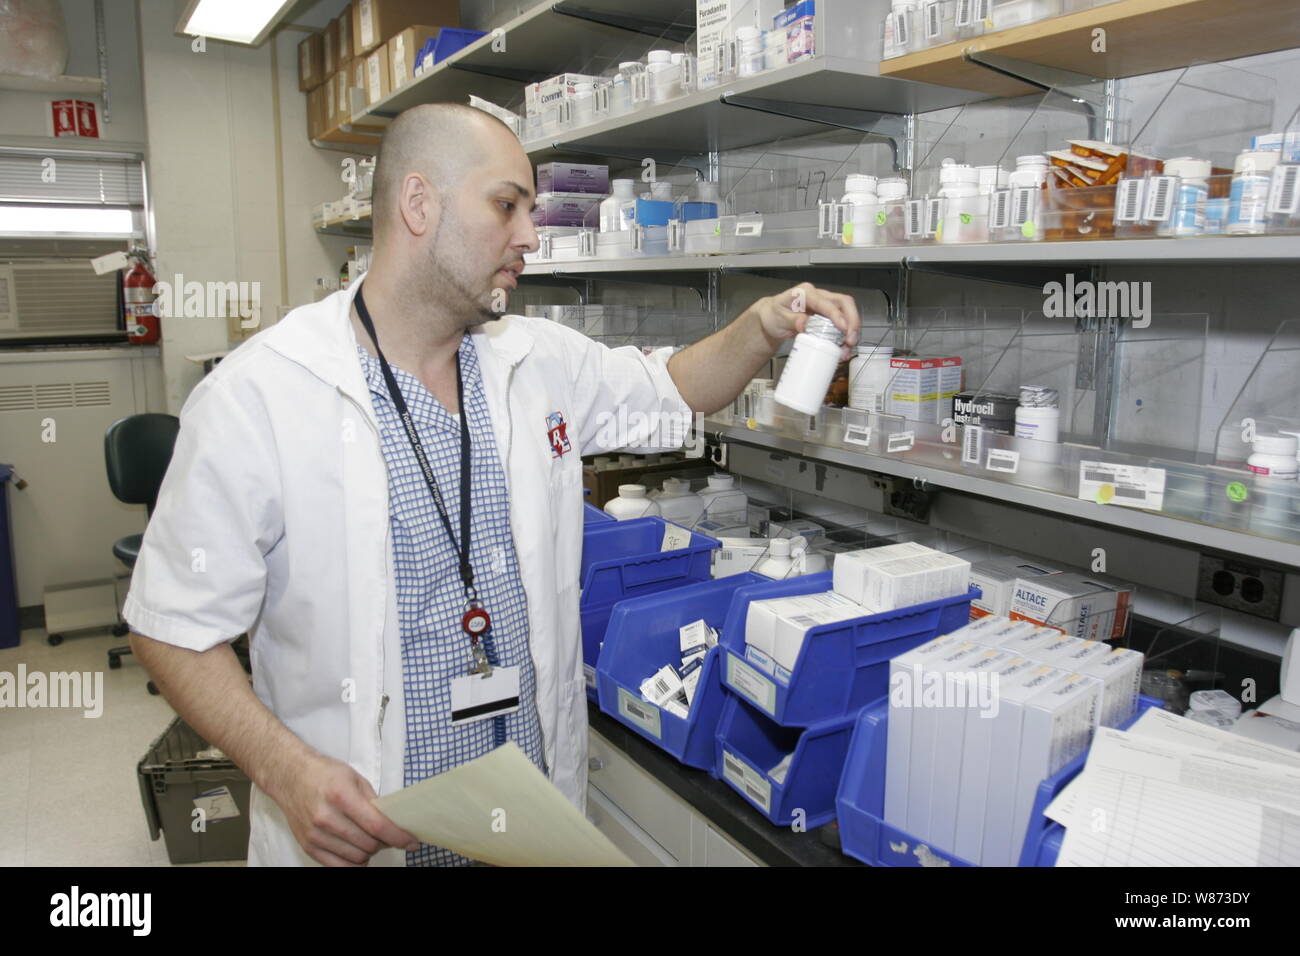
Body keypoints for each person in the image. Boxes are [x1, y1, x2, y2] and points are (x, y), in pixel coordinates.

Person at [125, 102, 860, 867]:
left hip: (530, 835)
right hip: (366, 839)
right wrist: (285, 770)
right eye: (507, 205)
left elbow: (672, 390)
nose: (530, 236)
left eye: (531, 210)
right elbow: (171, 627)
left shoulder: (534, 360)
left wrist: (762, 327)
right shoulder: (262, 397)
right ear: (419, 204)